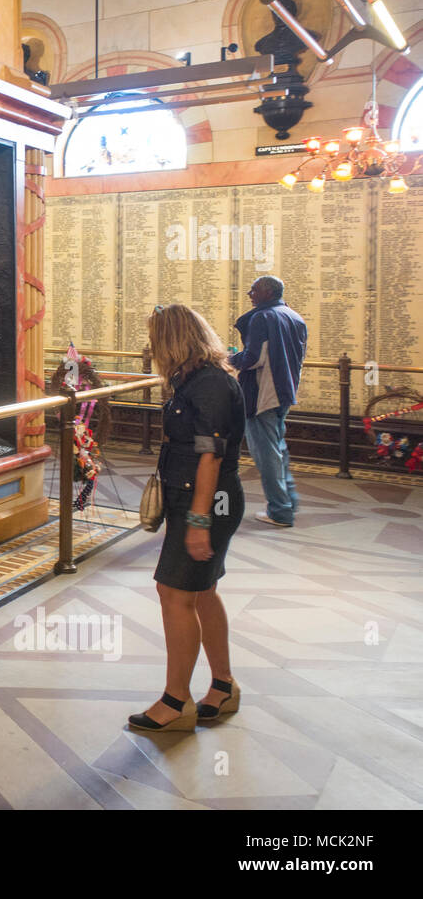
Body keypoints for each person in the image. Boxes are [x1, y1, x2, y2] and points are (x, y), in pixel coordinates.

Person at [130, 304, 245, 732]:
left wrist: (198, 521)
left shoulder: (209, 384)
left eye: (157, 340)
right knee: (201, 593)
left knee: (173, 593)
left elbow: (211, 456)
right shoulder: (195, 380)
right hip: (199, 499)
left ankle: (176, 703)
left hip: (207, 502)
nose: (154, 349)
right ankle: (223, 686)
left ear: (172, 340)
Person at [229, 275, 307, 527]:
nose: (249, 294)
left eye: (254, 290)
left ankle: (280, 511)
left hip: (263, 392)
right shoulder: (295, 316)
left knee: (266, 454)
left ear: (267, 292)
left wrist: (229, 360)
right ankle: (289, 502)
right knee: (278, 448)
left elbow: (254, 358)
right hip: (284, 391)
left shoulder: (263, 317)